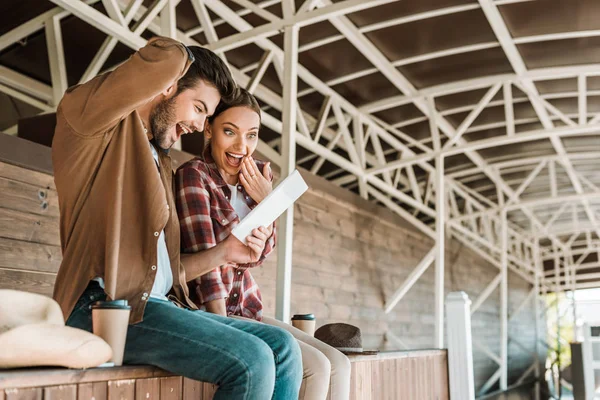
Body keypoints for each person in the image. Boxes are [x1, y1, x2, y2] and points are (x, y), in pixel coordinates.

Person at [52, 36, 302, 399]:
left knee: (282, 347)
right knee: (251, 361)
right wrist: (177, 66)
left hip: (158, 304)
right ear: (167, 86)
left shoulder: (160, 160)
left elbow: (166, 274)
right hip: (104, 305)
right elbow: (165, 58)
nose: (201, 126)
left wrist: (226, 253)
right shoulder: (92, 125)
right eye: (199, 108)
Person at [175, 88, 351, 400]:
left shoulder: (251, 181)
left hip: (246, 306)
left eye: (252, 135)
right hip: (210, 309)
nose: (242, 146)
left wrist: (266, 202)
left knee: (337, 363)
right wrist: (221, 328)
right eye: (230, 131)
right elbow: (204, 261)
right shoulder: (194, 175)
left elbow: (257, 256)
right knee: (316, 368)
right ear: (208, 128)